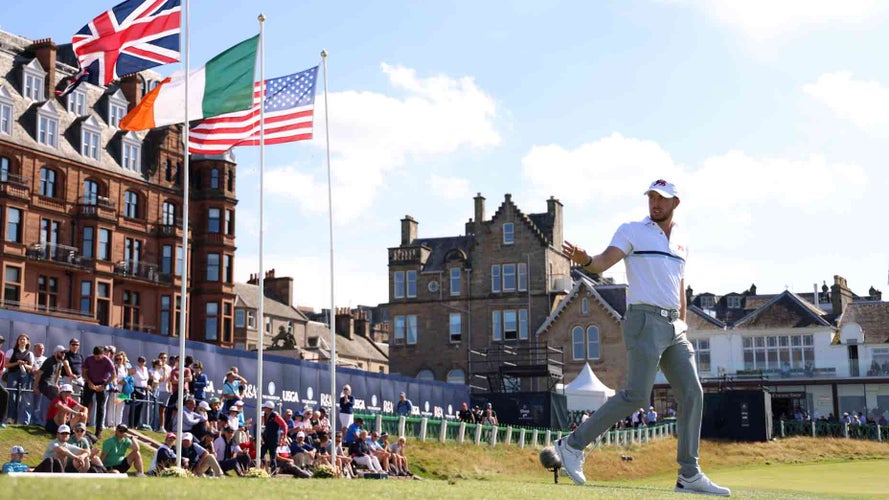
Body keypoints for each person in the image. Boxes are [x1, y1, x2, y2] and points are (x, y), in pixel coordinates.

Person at [554, 179, 730, 496]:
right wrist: (585, 260)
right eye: (651, 197)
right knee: (636, 396)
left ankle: (689, 474)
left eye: (661, 198)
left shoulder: (682, 243)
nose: (655, 203)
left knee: (693, 393)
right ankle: (572, 445)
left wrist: (683, 325)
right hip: (643, 320)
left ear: (675, 203)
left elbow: (679, 289)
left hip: (674, 327)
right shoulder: (632, 230)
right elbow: (603, 261)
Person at [81, 345, 114, 439]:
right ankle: (82, 426)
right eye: (95, 357)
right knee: (85, 404)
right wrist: (89, 382)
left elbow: (113, 375)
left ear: (102, 354)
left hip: (101, 383)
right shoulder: (89, 359)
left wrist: (104, 385)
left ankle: (98, 431)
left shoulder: (107, 361)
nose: (96, 359)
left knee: (100, 407)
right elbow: (84, 372)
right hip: (90, 381)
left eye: (98, 357)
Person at [5, 333, 34, 424]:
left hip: (24, 375)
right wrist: (16, 363)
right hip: (13, 374)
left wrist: (25, 365)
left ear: (27, 342)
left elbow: (31, 367)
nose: (22, 341)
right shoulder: (11, 351)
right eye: (20, 339)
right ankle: (10, 417)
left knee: (23, 397)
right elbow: (6, 365)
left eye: (24, 339)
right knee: (12, 396)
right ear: (17, 341)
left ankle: (21, 419)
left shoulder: (30, 353)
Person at [260, 401, 288, 471]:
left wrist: (285, 436)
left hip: (273, 438)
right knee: (261, 453)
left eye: (265, 407)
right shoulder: (265, 415)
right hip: (266, 437)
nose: (263, 409)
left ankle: (273, 472)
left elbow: (284, 425)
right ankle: (266, 468)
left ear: (269, 408)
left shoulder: (275, 416)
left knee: (272, 456)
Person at [30, 343, 47, 426]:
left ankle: (36, 420)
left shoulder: (46, 359)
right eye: (39, 348)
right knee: (29, 401)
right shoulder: (31, 357)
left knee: (38, 403)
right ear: (34, 349)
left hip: (41, 382)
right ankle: (28, 419)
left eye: (42, 349)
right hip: (31, 381)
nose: (41, 350)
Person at [0, 336, 8, 428]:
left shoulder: (1, 354)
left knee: (5, 393)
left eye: (1, 342)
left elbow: (1, 369)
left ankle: (1, 420)